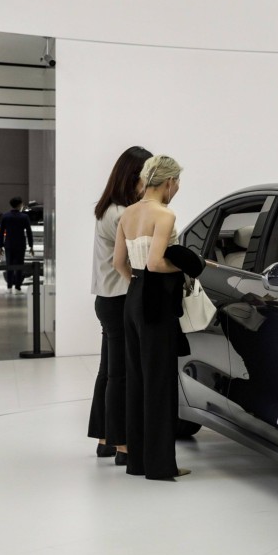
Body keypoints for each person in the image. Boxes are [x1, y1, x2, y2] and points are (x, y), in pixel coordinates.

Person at [112, 154, 190, 479]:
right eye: (178, 183)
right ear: (169, 182)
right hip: (155, 301)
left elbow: (118, 263)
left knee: (137, 379)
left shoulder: (127, 213)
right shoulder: (165, 214)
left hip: (133, 299)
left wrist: (137, 286)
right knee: (159, 382)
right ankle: (160, 466)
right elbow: (157, 262)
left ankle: (138, 462)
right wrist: (186, 266)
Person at [89, 146, 152, 463]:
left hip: (107, 299)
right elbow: (133, 259)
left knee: (110, 372)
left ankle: (106, 439)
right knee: (122, 375)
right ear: (133, 178)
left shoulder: (109, 209)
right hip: (119, 298)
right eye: (146, 177)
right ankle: (124, 446)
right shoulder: (119, 214)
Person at [0, 197, 34, 292]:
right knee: (19, 265)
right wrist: (31, 245)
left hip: (9, 243)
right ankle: (18, 287)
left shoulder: (5, 216)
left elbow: (1, 232)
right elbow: (29, 232)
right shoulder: (24, 217)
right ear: (20, 205)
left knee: (9, 264)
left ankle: (9, 286)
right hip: (20, 244)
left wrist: (0, 246)